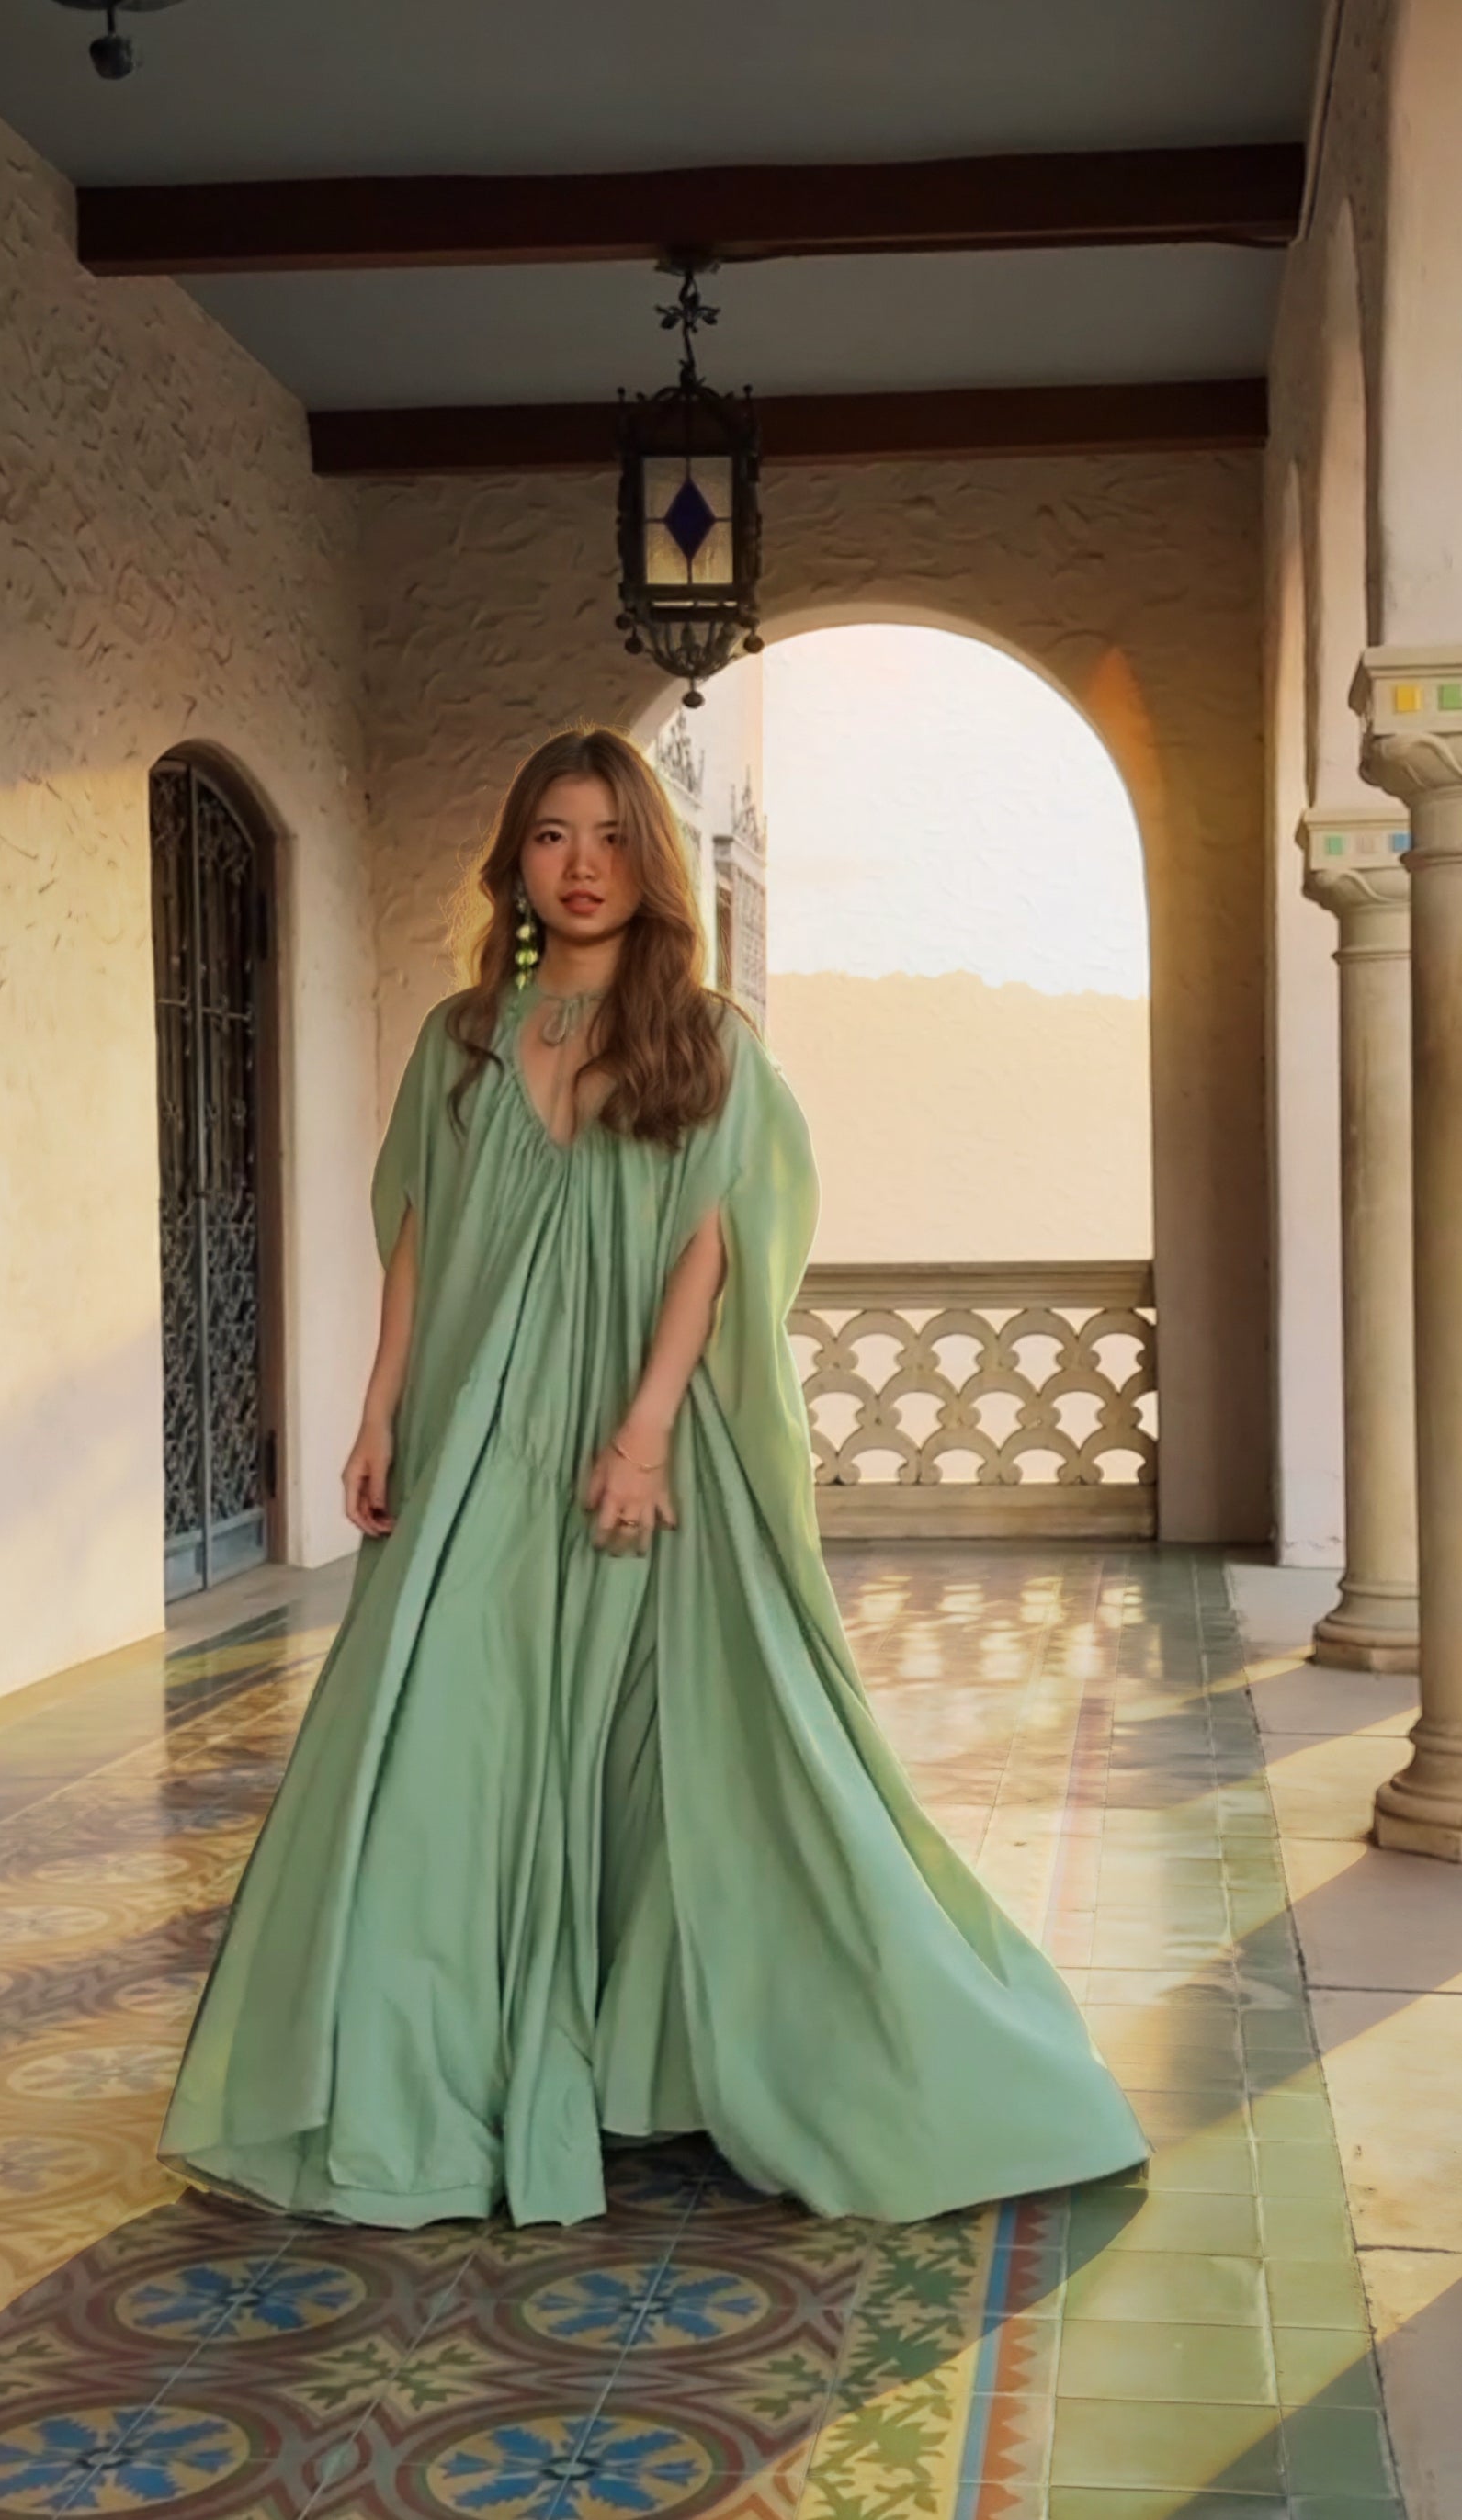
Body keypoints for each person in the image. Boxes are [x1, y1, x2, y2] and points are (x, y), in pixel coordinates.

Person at [159, 725, 1147, 2229]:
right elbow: (417, 1235)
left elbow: (713, 1246)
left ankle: (669, 2062)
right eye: (551, 837)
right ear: (516, 861)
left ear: (652, 860)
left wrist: (643, 1435)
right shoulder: (463, 1036)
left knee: (668, 1750)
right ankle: (430, 2078)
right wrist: (375, 1414)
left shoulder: (706, 1041)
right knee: (442, 1745)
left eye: (609, 837)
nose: (579, 867)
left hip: (632, 1440)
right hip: (475, 1431)